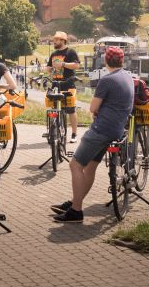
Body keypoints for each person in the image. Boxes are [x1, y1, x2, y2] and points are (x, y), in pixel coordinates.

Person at [51, 46, 133, 223]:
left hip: (101, 130)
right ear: (122, 61)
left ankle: (76, 211)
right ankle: (75, 202)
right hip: (117, 130)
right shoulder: (128, 77)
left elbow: (93, 108)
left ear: (106, 61)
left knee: (75, 165)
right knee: (90, 167)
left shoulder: (107, 80)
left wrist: (98, 111)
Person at [46, 30, 81, 143]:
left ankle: (74, 134)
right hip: (56, 84)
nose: (54, 42)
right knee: (54, 108)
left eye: (56, 40)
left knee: (71, 109)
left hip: (68, 84)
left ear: (63, 40)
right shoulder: (53, 54)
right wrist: (48, 69)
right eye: (54, 40)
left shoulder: (70, 52)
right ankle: (54, 131)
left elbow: (77, 65)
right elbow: (48, 68)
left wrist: (63, 64)